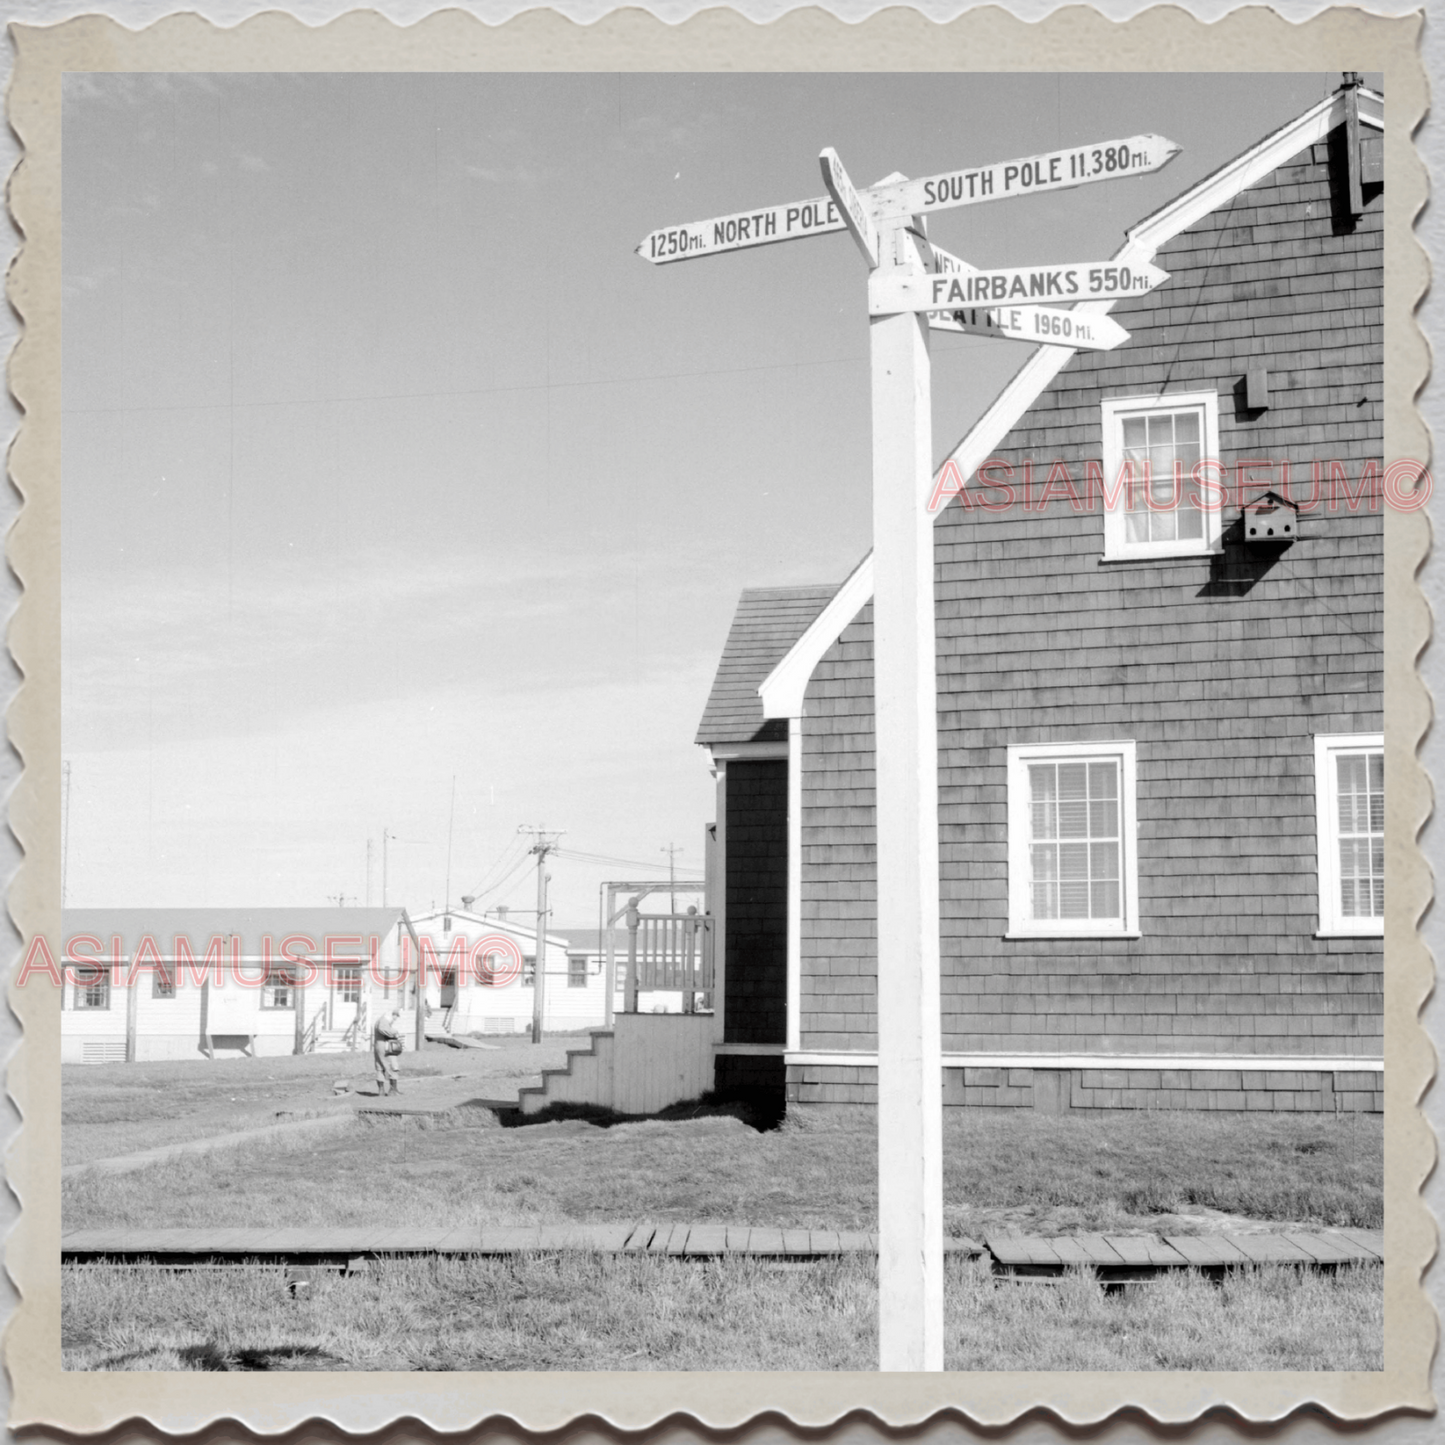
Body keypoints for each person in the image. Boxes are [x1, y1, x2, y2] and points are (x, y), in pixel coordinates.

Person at [373, 1007, 404, 1095]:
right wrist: (395, 1032)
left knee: (380, 1068)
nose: (396, 1018)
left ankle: (381, 1091)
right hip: (385, 1047)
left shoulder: (381, 1020)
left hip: (378, 1046)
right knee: (394, 1067)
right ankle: (393, 1090)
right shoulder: (384, 1020)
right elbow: (382, 1029)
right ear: (393, 1014)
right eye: (396, 1016)